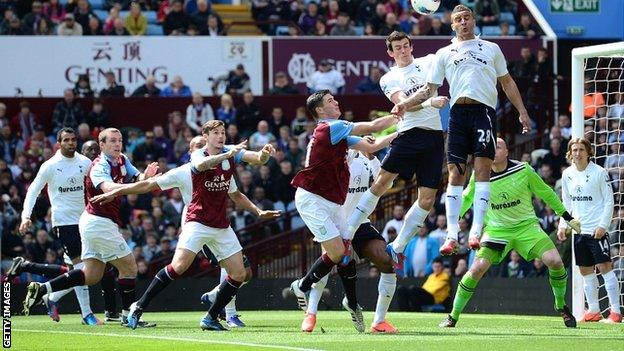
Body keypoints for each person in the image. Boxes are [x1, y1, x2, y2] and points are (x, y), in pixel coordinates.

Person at [90, 121, 280, 330]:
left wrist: (263, 155)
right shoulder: (196, 160)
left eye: (223, 133)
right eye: (216, 133)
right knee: (178, 267)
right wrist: (115, 192)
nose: (221, 136)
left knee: (240, 274)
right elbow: (152, 183)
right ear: (205, 138)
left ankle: (211, 317)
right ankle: (139, 306)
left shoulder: (228, 157)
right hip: (196, 222)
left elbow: (242, 183)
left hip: (220, 226)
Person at [391, 5, 532, 256]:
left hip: (484, 113)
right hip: (457, 115)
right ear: (452, 25)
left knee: (481, 170)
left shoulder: (491, 48)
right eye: (458, 19)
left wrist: (522, 111)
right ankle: (452, 234)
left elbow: (507, 82)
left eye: (467, 18)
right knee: (456, 173)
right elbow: (428, 89)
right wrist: (404, 103)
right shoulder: (445, 53)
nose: (463, 22)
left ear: (474, 21)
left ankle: (476, 230)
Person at [22, 128, 159, 329]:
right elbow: (109, 188)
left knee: (91, 275)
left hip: (90, 221)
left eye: (120, 140)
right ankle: (127, 315)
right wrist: (142, 186)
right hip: (94, 222)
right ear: (101, 145)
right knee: (129, 267)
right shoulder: (97, 166)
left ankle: (44, 288)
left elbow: (136, 176)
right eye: (112, 141)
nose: (117, 144)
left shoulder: (119, 160)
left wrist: (144, 177)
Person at [289, 90, 401, 333]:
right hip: (313, 200)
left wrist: (404, 132)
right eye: (330, 101)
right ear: (319, 110)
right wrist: (400, 114)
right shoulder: (330, 127)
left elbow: (375, 143)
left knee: (343, 253)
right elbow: (372, 125)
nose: (336, 101)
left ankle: (319, 291)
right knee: (337, 252)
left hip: (334, 203)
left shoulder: (339, 136)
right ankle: (305, 289)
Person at [439, 138, 578, 328]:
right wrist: (452, 227)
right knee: (476, 269)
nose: (493, 150)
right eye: (490, 147)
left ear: (506, 152)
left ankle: (560, 305)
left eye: (498, 147)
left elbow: (546, 192)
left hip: (527, 227)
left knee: (555, 261)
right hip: (496, 230)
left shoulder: (524, 169)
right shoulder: (480, 175)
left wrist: (567, 216)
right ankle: (452, 316)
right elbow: (466, 199)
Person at [344, 31, 448, 277]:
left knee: (427, 200)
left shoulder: (428, 62)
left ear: (412, 46)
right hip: (409, 134)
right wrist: (429, 103)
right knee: (381, 182)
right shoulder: (389, 78)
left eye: (405, 46)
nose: (403, 50)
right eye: (397, 48)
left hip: (434, 137)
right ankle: (347, 235)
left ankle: (397, 247)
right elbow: (403, 106)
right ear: (390, 53)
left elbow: (450, 55)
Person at [8, 128, 101, 325]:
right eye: (66, 140)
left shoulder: (85, 163)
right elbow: (33, 191)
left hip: (87, 220)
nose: (71, 143)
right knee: (81, 268)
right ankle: (86, 314)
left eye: (73, 140)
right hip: (64, 223)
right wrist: (26, 216)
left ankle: (49, 295)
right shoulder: (50, 166)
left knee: (76, 271)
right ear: (58, 143)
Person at [304, 147, 400, 333]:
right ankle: (311, 313)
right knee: (328, 263)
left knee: (387, 260)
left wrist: (372, 157)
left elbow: (385, 183)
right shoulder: (333, 159)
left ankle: (379, 321)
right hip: (335, 221)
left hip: (360, 221)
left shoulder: (366, 160)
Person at [557, 137, 621, 323]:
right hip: (579, 232)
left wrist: (603, 225)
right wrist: (563, 225)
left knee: (605, 269)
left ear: (588, 152)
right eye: (574, 150)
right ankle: (593, 310)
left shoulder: (599, 172)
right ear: (570, 153)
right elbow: (566, 203)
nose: (577, 153)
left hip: (597, 230)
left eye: (581, 150)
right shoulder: (567, 174)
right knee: (585, 271)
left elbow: (609, 201)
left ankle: (615, 312)